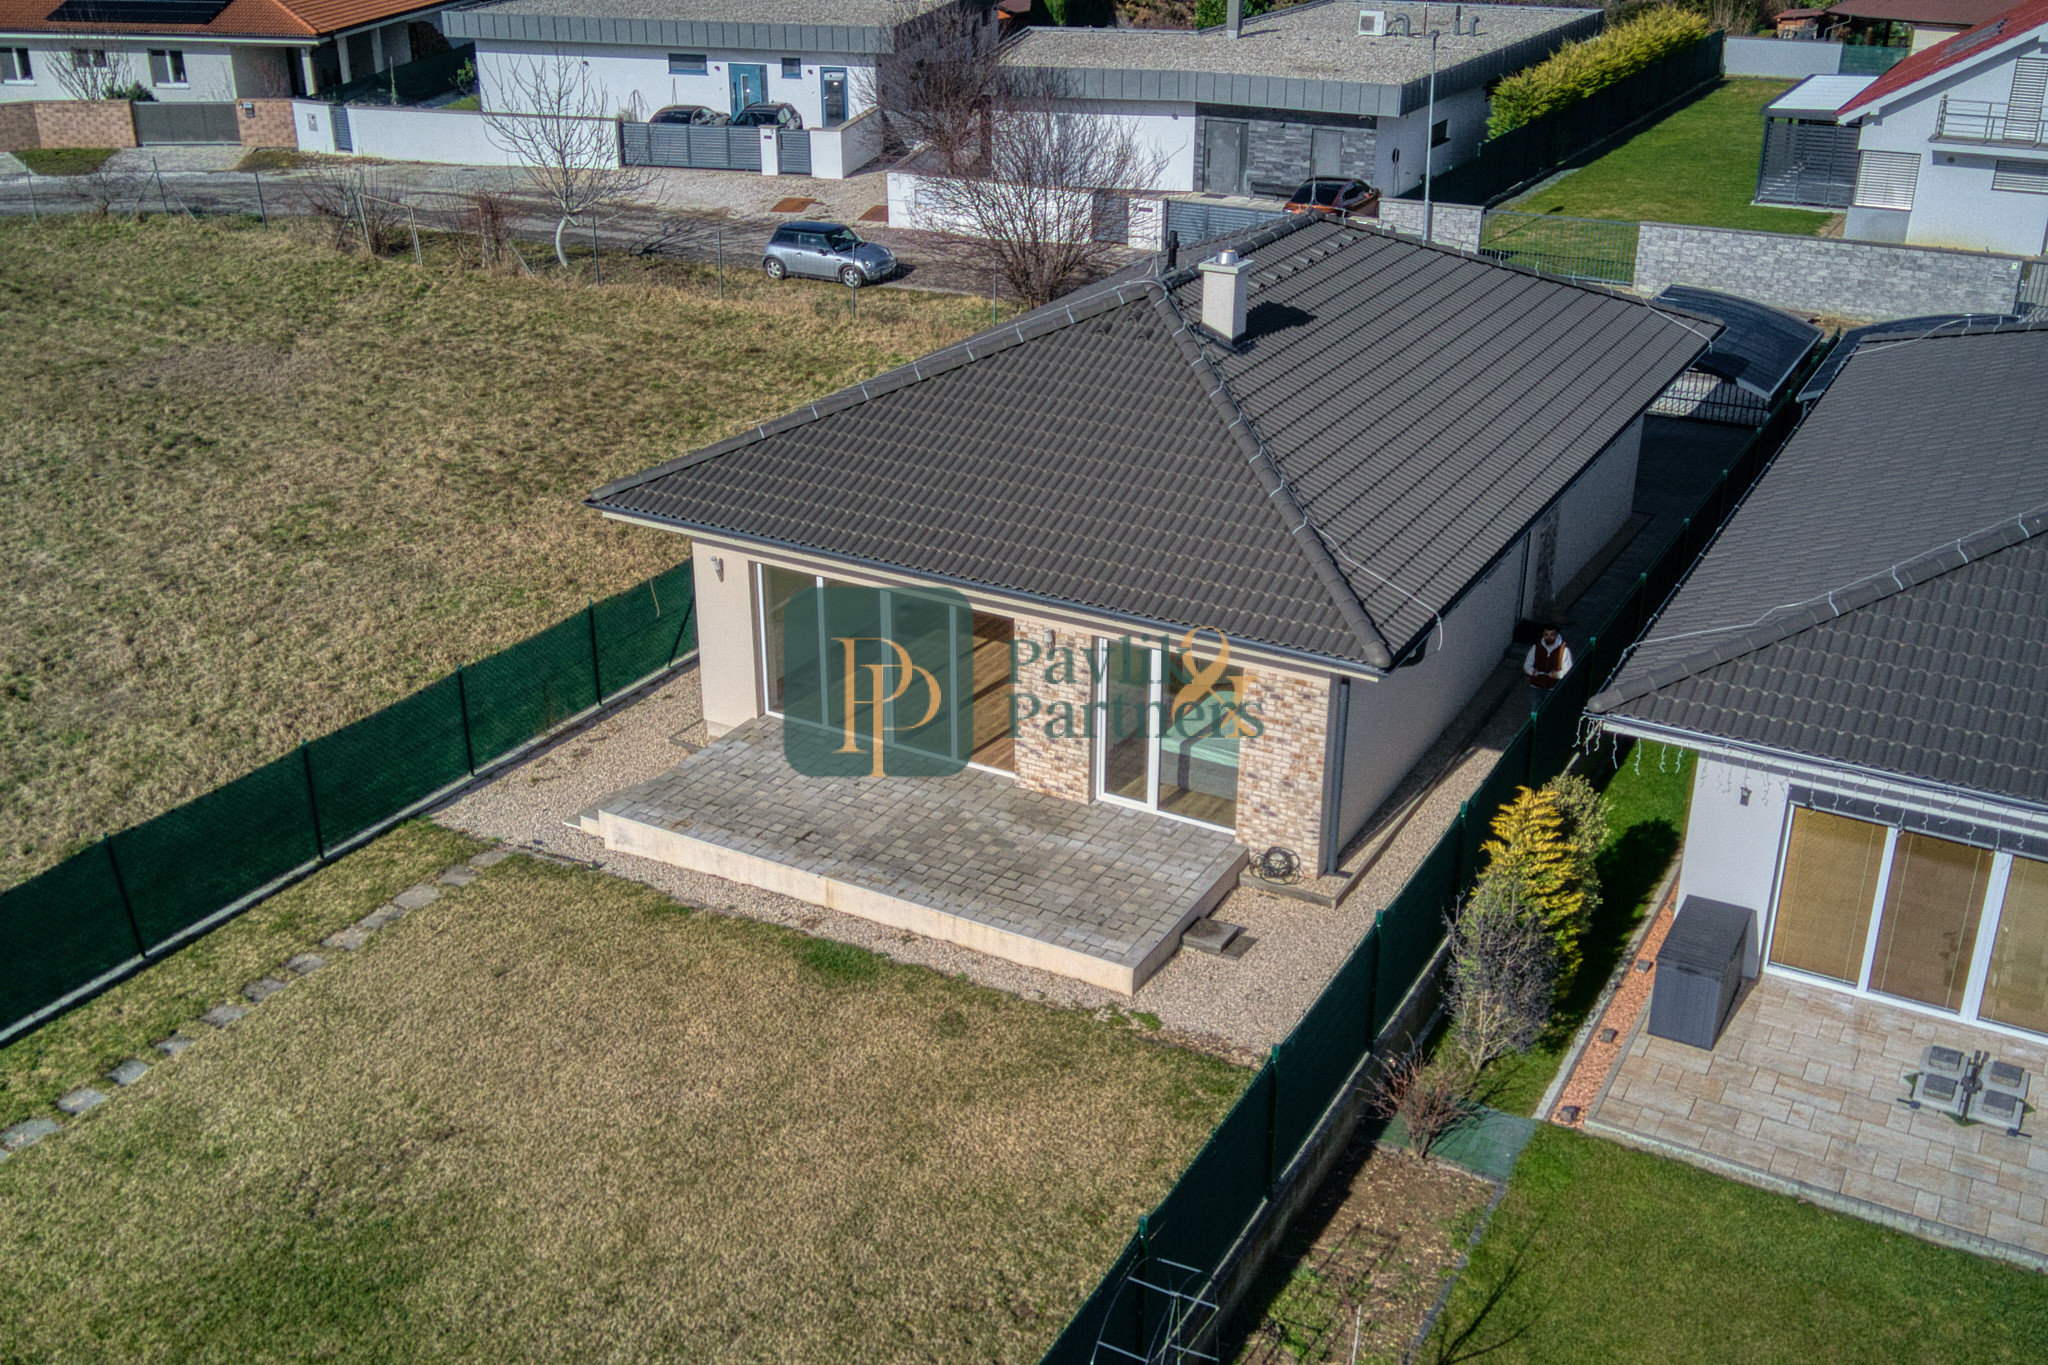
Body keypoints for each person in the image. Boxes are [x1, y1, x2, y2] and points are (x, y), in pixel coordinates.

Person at [1524, 626, 1572, 692]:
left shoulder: (1563, 651)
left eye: (1552, 635)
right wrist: (1532, 671)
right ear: (1543, 634)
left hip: (1554, 689)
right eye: (1546, 634)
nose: (1549, 637)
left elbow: (1568, 670)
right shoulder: (1536, 647)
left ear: (1556, 635)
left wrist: (1558, 675)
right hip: (1535, 687)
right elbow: (1527, 664)